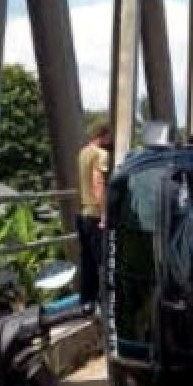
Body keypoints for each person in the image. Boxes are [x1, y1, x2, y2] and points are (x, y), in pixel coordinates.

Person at [77, 125, 112, 306]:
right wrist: (104, 214)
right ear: (103, 136)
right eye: (109, 137)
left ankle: (86, 300)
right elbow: (99, 183)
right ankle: (105, 301)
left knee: (87, 261)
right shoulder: (101, 155)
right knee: (103, 260)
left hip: (82, 213)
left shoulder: (83, 153)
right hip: (95, 214)